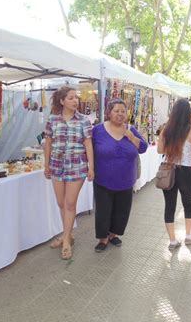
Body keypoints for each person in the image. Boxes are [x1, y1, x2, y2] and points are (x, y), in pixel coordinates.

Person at [44, 86, 94, 260]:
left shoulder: (84, 120)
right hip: (57, 165)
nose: (75, 100)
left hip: (77, 166)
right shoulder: (52, 120)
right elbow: (48, 142)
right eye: (71, 98)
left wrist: (91, 167)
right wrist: (46, 164)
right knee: (60, 203)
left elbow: (88, 144)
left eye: (76, 98)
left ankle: (65, 240)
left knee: (70, 203)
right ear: (62, 101)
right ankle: (69, 235)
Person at [92, 99, 148, 252]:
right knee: (103, 210)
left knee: (122, 210)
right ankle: (102, 238)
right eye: (116, 111)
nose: (120, 114)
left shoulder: (131, 129)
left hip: (126, 180)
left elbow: (143, 148)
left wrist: (131, 137)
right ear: (109, 112)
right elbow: (88, 150)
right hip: (103, 179)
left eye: (123, 111)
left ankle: (113, 234)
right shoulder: (97, 130)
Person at [157, 99, 191, 249]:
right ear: (188, 113)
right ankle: (188, 236)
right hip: (186, 171)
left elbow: (159, 150)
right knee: (188, 204)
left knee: (169, 206)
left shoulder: (166, 129)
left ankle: (172, 240)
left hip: (169, 169)